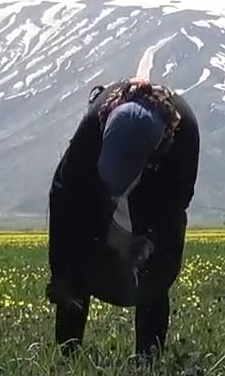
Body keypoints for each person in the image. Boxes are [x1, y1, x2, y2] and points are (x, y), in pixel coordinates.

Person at [45, 78, 200, 359]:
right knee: (76, 259)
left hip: (156, 189)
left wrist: (148, 241)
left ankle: (149, 358)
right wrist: (61, 273)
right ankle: (67, 355)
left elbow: (176, 205)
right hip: (95, 191)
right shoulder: (93, 126)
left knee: (155, 271)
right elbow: (63, 195)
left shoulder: (183, 132)